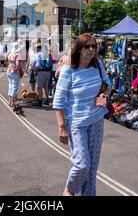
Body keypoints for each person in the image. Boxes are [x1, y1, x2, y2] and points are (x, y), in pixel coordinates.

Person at [53, 33, 111, 196]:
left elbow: (108, 84)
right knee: (82, 165)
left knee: (92, 168)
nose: (91, 49)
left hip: (97, 119)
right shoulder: (68, 70)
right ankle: (70, 190)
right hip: (76, 123)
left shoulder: (98, 64)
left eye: (94, 46)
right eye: (87, 46)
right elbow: (58, 100)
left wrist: (104, 94)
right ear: (79, 49)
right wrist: (61, 126)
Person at [33, 43, 52, 107]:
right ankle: (47, 100)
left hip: (41, 72)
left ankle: (40, 101)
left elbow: (38, 65)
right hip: (48, 72)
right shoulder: (46, 54)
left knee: (39, 87)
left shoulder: (38, 54)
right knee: (46, 87)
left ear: (38, 48)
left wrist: (35, 71)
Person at [7, 43, 24, 112]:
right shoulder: (18, 55)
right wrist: (21, 72)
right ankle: (13, 102)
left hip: (9, 71)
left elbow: (7, 61)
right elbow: (18, 65)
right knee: (14, 87)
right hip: (15, 72)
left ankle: (9, 101)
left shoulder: (10, 54)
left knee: (10, 86)